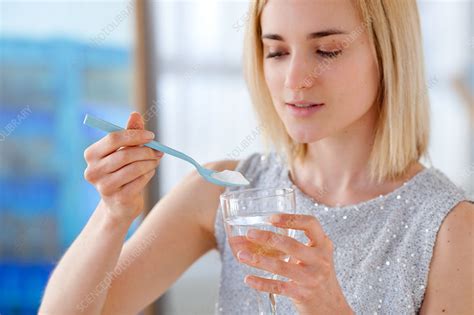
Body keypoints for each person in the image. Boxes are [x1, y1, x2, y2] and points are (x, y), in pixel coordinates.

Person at [40, 0, 473, 314]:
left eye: (327, 50)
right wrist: (113, 214)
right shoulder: (225, 191)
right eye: (277, 51)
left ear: (390, 56)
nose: (295, 80)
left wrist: (329, 308)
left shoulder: (449, 229)